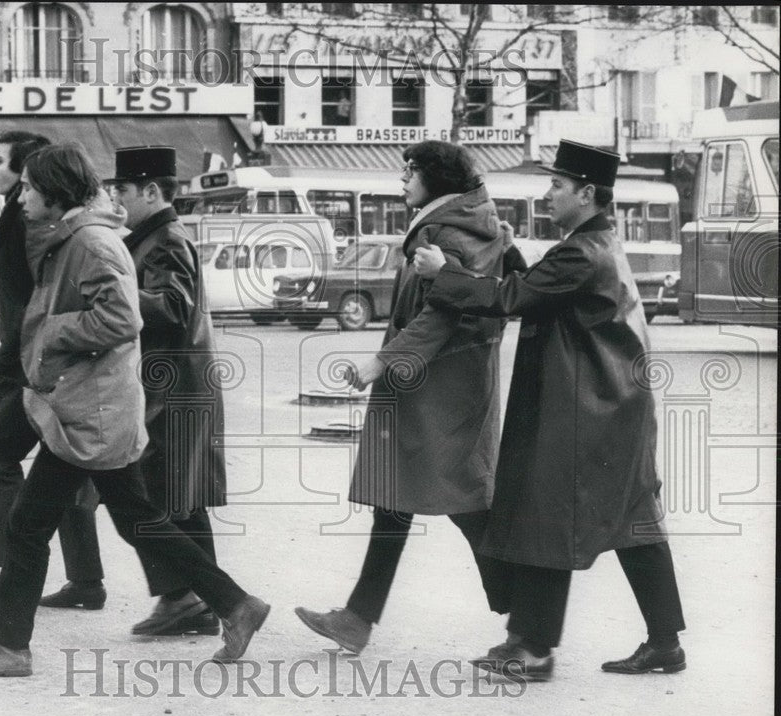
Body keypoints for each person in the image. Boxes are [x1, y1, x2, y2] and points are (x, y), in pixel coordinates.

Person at [0, 144, 268, 678]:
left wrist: (53, 330)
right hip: (91, 405)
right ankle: (234, 603)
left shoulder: (91, 243)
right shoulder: (76, 236)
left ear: (55, 192)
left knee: (28, 524)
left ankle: (7, 645)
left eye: (30, 188)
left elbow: (122, 319)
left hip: (89, 412)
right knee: (137, 519)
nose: (22, 196)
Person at [411, 139, 686, 681]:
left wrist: (444, 271)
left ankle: (533, 650)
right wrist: (513, 256)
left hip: (586, 415)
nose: (548, 193)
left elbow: (512, 299)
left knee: (545, 516)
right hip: (613, 411)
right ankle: (665, 643)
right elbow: (538, 287)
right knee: (635, 523)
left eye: (557, 185)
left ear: (587, 193)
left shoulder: (580, 253)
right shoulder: (595, 243)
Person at [294, 141, 520, 654]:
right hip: (443, 385)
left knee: (465, 502)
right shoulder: (466, 225)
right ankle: (358, 618)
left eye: (411, 171)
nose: (403, 179)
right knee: (396, 500)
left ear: (437, 180)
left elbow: (441, 313)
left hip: (436, 390)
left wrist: (382, 361)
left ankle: (528, 617)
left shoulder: (444, 233)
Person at [0, 131, 106, 611]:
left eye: (0, 161)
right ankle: (85, 580)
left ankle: (15, 578)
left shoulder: (29, 221)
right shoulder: (32, 216)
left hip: (29, 360)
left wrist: (32, 350)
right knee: (65, 467)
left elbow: (43, 297)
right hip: (38, 357)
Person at [109, 146, 226, 637]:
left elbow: (172, 307)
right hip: (174, 385)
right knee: (179, 497)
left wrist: (112, 291)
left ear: (152, 191)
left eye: (123, 189)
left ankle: (189, 600)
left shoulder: (166, 241)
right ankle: (199, 602)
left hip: (172, 389)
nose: (116, 199)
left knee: (160, 496)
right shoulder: (152, 238)